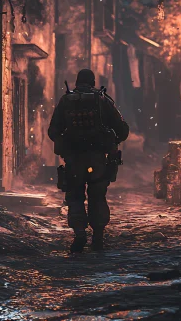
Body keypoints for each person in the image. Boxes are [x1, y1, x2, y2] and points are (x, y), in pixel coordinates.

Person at [48, 68, 129, 253]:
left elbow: (53, 131)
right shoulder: (102, 100)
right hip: (97, 160)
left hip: (74, 160)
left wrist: (67, 140)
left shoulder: (65, 101)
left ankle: (79, 234)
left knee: (75, 196)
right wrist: (111, 141)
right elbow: (123, 129)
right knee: (97, 196)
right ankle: (98, 236)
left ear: (77, 82)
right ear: (93, 82)